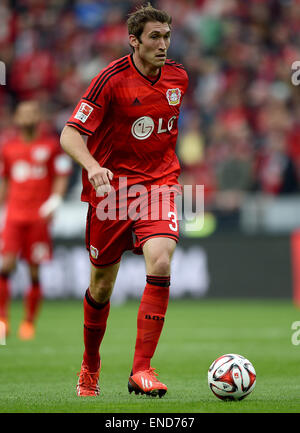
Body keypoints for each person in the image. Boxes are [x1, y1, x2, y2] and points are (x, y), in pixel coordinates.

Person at [60, 3, 188, 398]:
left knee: (162, 259)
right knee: (101, 287)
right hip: (112, 193)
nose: (163, 44)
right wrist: (93, 166)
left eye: (166, 36)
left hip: (159, 184)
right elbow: (69, 134)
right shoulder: (110, 79)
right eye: (154, 37)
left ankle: (142, 369)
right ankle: (90, 365)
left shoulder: (179, 77)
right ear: (134, 40)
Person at [0, 100, 71, 340]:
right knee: (6, 266)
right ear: (17, 118)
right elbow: (5, 182)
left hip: (38, 218)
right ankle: (3, 320)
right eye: (23, 112)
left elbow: (61, 175)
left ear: (38, 116)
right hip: (14, 216)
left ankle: (29, 322)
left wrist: (55, 201)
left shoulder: (51, 146)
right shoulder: (8, 148)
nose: (28, 116)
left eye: (32, 112)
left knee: (33, 272)